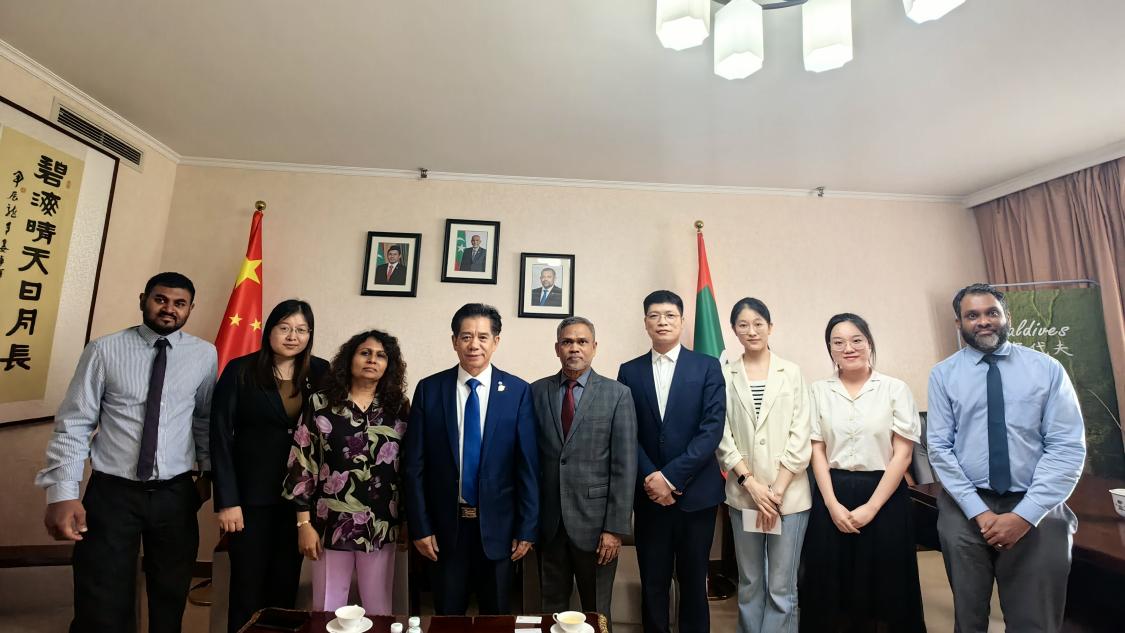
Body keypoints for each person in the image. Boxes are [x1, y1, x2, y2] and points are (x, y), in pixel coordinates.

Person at [35, 272, 217, 633]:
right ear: (143, 299)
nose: (169, 309)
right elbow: (75, 423)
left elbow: (203, 419)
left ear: (190, 308)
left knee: (170, 593)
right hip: (113, 493)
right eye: (160, 299)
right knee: (102, 595)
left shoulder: (203, 354)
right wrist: (62, 493)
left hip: (175, 494)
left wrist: (206, 474)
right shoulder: (104, 350)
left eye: (179, 303)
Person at [927, 283, 1085, 632]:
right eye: (972, 315)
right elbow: (939, 448)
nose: (983, 321)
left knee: (1035, 620)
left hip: (1036, 501)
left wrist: (1025, 515)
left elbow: (1066, 447)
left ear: (1006, 317)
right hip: (966, 504)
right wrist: (979, 511)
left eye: (991, 313)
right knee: (969, 617)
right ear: (959, 323)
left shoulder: (1047, 369)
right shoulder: (943, 375)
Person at [403, 303, 538, 614]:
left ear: (496, 341)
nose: (474, 344)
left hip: (500, 529)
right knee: (448, 617)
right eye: (466, 337)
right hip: (444, 529)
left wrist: (527, 528)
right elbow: (414, 467)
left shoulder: (518, 391)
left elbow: (527, 467)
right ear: (454, 341)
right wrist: (420, 527)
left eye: (482, 337)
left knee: (497, 618)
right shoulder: (429, 389)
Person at [799, 313, 925, 633]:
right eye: (838, 342)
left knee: (886, 581)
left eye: (857, 340)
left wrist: (871, 507)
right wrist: (831, 505)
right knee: (831, 580)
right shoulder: (818, 391)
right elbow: (817, 450)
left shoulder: (894, 389)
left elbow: (903, 455)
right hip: (834, 492)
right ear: (830, 349)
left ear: (869, 343)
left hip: (885, 494)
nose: (848, 348)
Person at [210, 299, 330, 633]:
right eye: (285, 328)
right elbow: (220, 437)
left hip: (299, 502)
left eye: (302, 330)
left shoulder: (321, 372)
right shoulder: (241, 370)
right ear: (269, 330)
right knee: (247, 585)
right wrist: (227, 500)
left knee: (285, 584)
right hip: (250, 499)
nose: (293, 336)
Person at [616, 290, 725, 633]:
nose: (662, 321)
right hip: (650, 497)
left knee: (694, 582)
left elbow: (711, 429)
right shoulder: (629, 371)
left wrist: (671, 478)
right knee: (653, 582)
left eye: (669, 315)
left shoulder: (707, 366)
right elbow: (627, 432)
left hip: (697, 496)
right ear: (645, 322)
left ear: (681, 321)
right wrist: (653, 477)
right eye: (654, 316)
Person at [282, 329, 410, 615]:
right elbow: (302, 462)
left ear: (389, 365)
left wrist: (405, 520)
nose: (372, 360)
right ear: (350, 359)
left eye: (381, 355)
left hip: (381, 524)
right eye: (365, 353)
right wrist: (303, 525)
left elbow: (406, 468)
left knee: (379, 609)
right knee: (328, 608)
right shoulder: (321, 404)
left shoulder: (398, 407)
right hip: (330, 524)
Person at [715, 298, 812, 633]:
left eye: (758, 323)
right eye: (743, 324)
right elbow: (722, 434)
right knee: (750, 582)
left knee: (782, 587)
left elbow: (801, 432)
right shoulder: (724, 374)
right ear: (734, 330)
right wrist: (752, 485)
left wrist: (777, 491)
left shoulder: (792, 372)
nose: (752, 330)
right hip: (745, 496)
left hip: (789, 497)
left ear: (771, 327)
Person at [532, 316, 637, 617]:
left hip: (597, 526)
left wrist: (614, 529)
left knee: (596, 611)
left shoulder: (617, 394)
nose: (574, 348)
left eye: (582, 342)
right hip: (549, 525)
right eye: (567, 342)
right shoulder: (536, 392)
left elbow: (625, 466)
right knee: (551, 609)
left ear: (594, 347)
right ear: (557, 348)